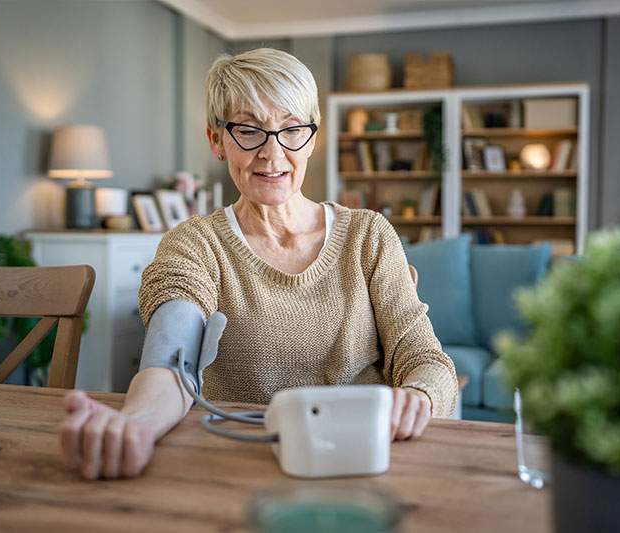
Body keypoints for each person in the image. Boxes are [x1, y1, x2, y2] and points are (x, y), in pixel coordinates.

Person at [58, 48, 458, 480]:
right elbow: (170, 361)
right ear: (217, 140)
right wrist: (137, 421)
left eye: (291, 129)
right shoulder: (196, 244)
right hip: (239, 465)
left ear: (312, 138)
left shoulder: (368, 235)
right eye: (249, 130)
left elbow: (425, 360)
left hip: (362, 458)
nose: (272, 153)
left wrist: (418, 397)